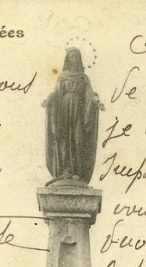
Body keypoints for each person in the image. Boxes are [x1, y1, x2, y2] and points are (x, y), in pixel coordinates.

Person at [43, 47, 103, 185]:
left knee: (78, 139)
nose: (74, 58)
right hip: (63, 111)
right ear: (68, 59)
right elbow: (56, 92)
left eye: (76, 56)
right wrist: (49, 100)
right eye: (71, 55)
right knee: (64, 139)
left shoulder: (83, 78)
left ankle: (77, 171)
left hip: (78, 112)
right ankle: (66, 170)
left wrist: (97, 102)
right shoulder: (62, 77)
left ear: (79, 59)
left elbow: (89, 94)